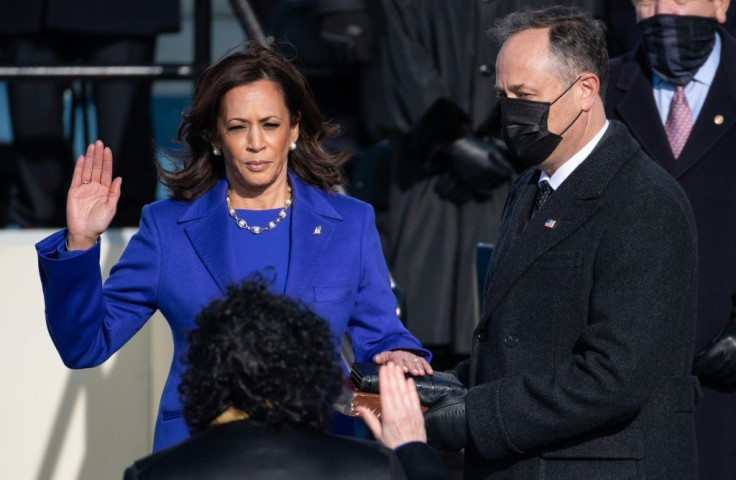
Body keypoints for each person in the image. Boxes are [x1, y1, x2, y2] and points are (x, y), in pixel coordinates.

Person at [35, 41, 431, 452]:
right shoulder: (168, 228)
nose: (255, 142)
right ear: (215, 136)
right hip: (199, 452)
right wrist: (80, 241)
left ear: (294, 129)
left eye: (270, 124)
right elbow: (84, 345)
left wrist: (399, 354)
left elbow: (383, 337)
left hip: (318, 451)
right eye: (238, 126)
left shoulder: (350, 223)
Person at [422, 6, 700, 479]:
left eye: (525, 95)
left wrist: (475, 416)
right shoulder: (532, 186)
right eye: (503, 96)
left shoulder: (644, 202)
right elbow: (528, 341)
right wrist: (447, 385)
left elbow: (614, 376)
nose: (511, 113)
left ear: (586, 90)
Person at [374, 0, 601, 363]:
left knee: (506, 330)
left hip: (519, 168)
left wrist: (505, 139)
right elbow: (401, 55)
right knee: (420, 329)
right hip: (427, 175)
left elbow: (570, 48)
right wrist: (449, 140)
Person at [123, 280, 449, 480]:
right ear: (311, 370)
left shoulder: (154, 474)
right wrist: (412, 452)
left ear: (204, 374)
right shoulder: (375, 468)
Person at [605, 1, 736, 478]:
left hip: (724, 389)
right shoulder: (595, 92)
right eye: (646, 0)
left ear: (721, 4)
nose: (662, 10)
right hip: (621, 393)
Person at [0, 0, 179, 227]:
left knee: (125, 153)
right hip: (29, 13)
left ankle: (130, 236)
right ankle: (40, 228)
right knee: (35, 141)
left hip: (125, 12)